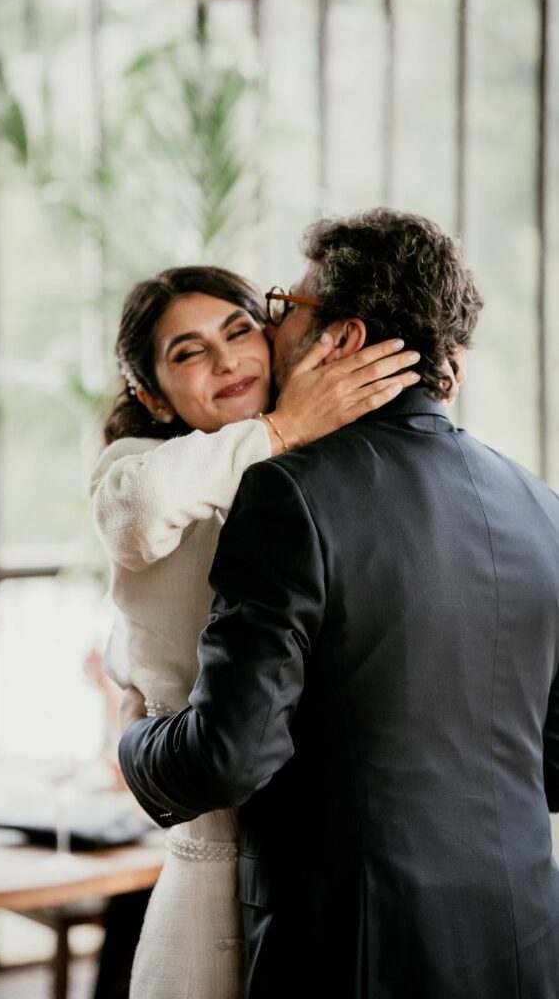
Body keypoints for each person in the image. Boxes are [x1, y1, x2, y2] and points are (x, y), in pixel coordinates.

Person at [118, 210, 559, 999]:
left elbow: (231, 755)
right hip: (521, 934)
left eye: (285, 308)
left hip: (348, 952)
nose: (272, 327)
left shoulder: (287, 493)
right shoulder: (540, 506)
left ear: (343, 339)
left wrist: (137, 741)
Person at [89, 264, 425, 999]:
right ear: (153, 396)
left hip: (326, 852)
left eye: (239, 330)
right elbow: (138, 516)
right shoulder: (138, 464)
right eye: (187, 352)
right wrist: (282, 425)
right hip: (213, 849)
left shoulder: (313, 462)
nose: (224, 359)